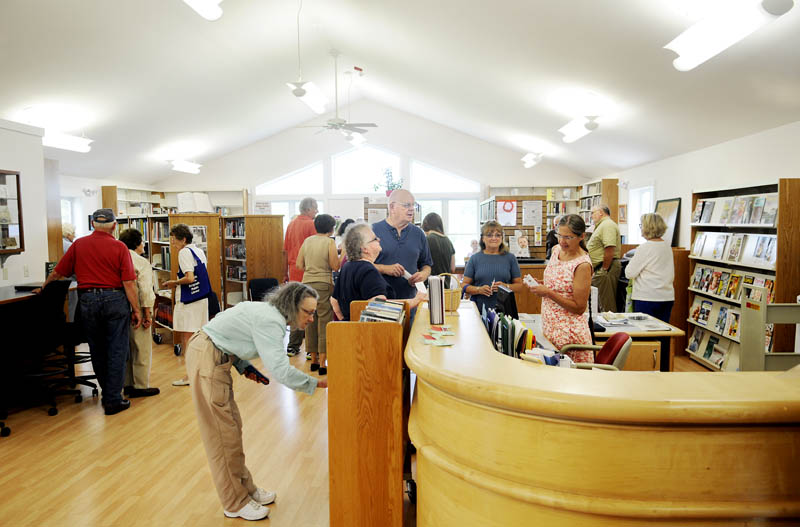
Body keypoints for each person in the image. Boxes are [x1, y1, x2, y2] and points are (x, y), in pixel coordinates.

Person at [186, 282, 327, 521]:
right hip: (207, 359)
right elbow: (281, 371)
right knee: (222, 436)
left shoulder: (268, 313)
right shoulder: (271, 321)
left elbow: (227, 330)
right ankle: (235, 502)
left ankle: (246, 490)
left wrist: (243, 366)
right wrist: (315, 384)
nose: (312, 318)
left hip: (217, 357)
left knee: (232, 429)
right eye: (308, 312)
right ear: (292, 307)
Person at [39, 208, 141, 415]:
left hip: (88, 301)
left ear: (92, 224)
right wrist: (136, 309)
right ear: (114, 225)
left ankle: (108, 393)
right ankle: (112, 399)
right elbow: (128, 282)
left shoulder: (79, 244)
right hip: (115, 299)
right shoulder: (119, 247)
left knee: (97, 349)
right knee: (117, 350)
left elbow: (59, 272)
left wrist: (43, 287)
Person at [528, 214, 594, 363]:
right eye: (560, 235)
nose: (562, 241)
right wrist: (543, 284)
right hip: (550, 330)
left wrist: (548, 292)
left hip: (570, 337)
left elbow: (579, 307)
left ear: (581, 236)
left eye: (568, 237)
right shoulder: (556, 250)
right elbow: (558, 282)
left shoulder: (582, 265)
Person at [331, 223, 426, 321]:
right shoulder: (368, 270)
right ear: (365, 249)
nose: (379, 240)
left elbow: (334, 301)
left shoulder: (347, 266)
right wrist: (415, 301)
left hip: (352, 331)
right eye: (375, 239)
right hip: (369, 333)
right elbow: (379, 307)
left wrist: (346, 322)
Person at [163, 224, 211, 387]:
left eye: (175, 241)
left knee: (188, 339)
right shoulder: (198, 250)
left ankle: (191, 375)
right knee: (197, 337)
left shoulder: (184, 252)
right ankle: (200, 372)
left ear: (183, 239)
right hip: (200, 299)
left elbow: (189, 278)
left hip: (189, 301)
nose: (173, 244)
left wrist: (174, 282)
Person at [372, 189, 433, 305]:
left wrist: (423, 275)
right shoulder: (373, 231)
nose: (411, 209)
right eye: (406, 205)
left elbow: (426, 265)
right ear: (392, 207)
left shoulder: (418, 234)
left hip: (411, 303)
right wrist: (384, 269)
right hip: (380, 305)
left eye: (413, 205)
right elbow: (360, 265)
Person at [296, 213, 339, 375]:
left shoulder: (307, 241)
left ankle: (312, 360)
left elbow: (299, 264)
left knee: (310, 320)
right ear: (331, 228)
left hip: (306, 284)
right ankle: (322, 363)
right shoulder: (329, 242)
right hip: (323, 284)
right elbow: (335, 266)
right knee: (324, 320)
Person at [119, 228, 159, 397]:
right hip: (138, 308)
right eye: (142, 241)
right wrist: (147, 314)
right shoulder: (141, 262)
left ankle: (127, 383)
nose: (143, 245)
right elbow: (144, 290)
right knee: (141, 347)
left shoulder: (117, 258)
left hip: (119, 308)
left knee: (125, 347)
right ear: (137, 244)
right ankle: (141, 385)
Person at [462, 220, 524, 313]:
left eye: (498, 235)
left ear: (502, 238)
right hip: (479, 309)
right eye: (489, 235)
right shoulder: (474, 259)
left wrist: (505, 286)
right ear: (483, 238)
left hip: (505, 311)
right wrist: (478, 290)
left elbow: (519, 287)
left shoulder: (510, 258)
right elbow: (463, 285)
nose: (494, 238)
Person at [283, 197, 318, 357]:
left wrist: (285, 272)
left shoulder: (291, 225)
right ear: (309, 209)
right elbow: (316, 248)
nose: (316, 211)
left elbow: (285, 251)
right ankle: (311, 349)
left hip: (293, 270)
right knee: (311, 309)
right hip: (308, 270)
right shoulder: (311, 225)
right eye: (315, 208)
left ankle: (292, 346)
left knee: (296, 308)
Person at [624, 213, 675, 323]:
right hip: (666, 296)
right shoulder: (667, 246)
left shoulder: (644, 248)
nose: (641, 228)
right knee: (663, 333)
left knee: (645, 334)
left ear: (647, 227)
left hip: (647, 297)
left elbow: (629, 273)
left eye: (641, 225)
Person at [586, 205, 621, 312]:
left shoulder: (607, 225)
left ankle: (610, 327)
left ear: (600, 212)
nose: (591, 216)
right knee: (600, 302)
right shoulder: (602, 225)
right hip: (601, 268)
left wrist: (604, 269)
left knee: (606, 304)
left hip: (605, 268)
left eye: (592, 213)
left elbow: (609, 247)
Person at [422, 212, 455, 288]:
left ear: (426, 225)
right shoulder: (448, 241)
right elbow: (452, 268)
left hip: (430, 287)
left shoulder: (427, 240)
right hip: (445, 287)